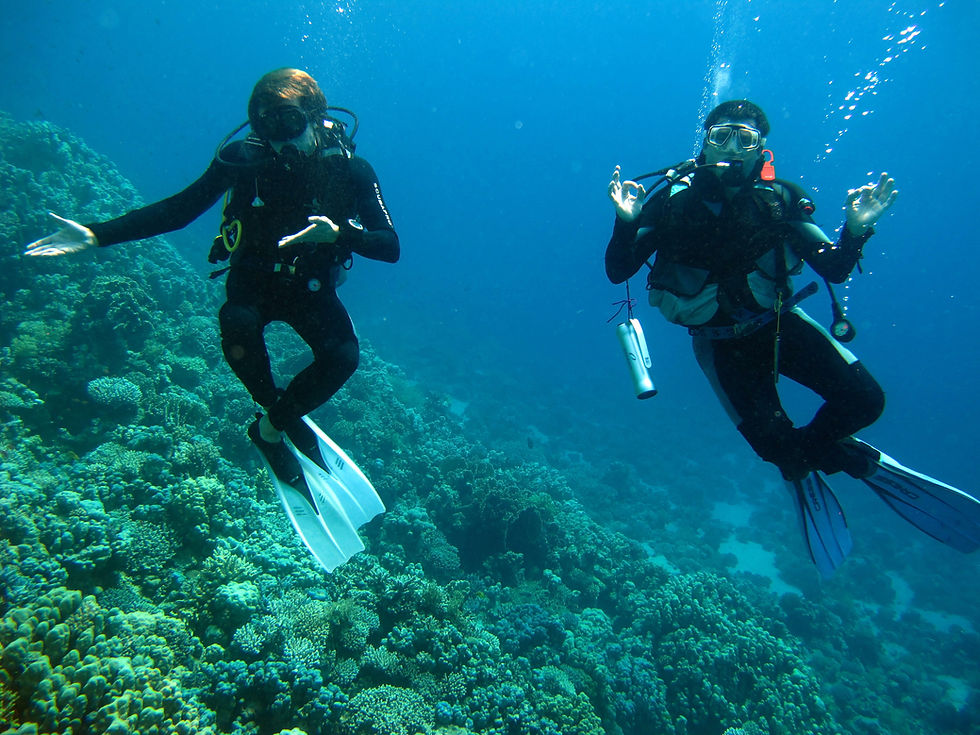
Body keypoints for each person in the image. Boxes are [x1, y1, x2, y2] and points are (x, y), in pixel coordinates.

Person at [603, 99, 980, 575]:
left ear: (762, 148)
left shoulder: (779, 199)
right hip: (720, 345)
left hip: (781, 327)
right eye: (721, 136)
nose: (732, 149)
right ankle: (836, 457)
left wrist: (856, 230)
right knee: (777, 450)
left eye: (745, 139)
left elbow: (835, 267)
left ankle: (814, 454)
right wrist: (626, 220)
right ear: (703, 142)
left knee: (866, 401)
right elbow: (619, 272)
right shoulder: (672, 200)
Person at [25, 68, 399, 501]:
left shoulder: (351, 172)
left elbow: (390, 246)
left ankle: (270, 428)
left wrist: (339, 234)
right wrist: (96, 234)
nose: (278, 140)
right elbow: (179, 209)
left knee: (344, 357)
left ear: (315, 118)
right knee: (236, 321)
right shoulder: (244, 160)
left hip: (310, 286)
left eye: (289, 123)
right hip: (254, 279)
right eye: (265, 126)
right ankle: (277, 411)